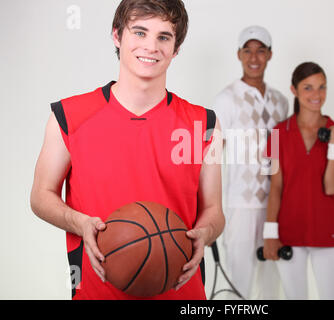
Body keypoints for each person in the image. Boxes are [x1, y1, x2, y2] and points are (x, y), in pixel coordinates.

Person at [30, 0, 225, 300]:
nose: (151, 46)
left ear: (176, 49)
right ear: (117, 36)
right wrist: (80, 223)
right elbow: (41, 196)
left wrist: (205, 233)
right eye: (140, 32)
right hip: (98, 291)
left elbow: (214, 210)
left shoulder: (204, 122)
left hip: (180, 291)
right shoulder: (69, 116)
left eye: (164, 37)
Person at [211, 26, 289, 299]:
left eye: (260, 50)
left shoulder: (281, 102)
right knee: (239, 283)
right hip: (239, 205)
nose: (254, 57)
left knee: (271, 285)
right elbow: (211, 154)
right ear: (239, 54)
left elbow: (283, 157)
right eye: (248, 50)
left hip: (276, 206)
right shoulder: (226, 98)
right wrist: (208, 208)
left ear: (270, 55)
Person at [263, 62, 334, 300]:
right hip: (289, 232)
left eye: (322, 87)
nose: (316, 95)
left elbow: (331, 186)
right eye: (308, 87)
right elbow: (276, 187)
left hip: (327, 232)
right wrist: (270, 233)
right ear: (294, 90)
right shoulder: (279, 133)